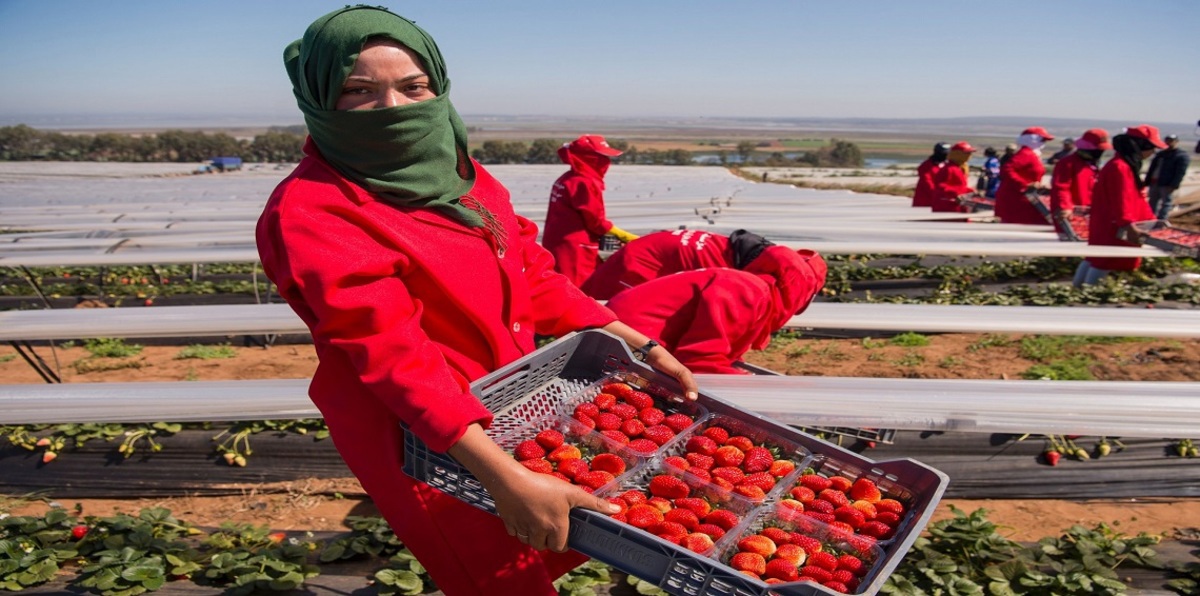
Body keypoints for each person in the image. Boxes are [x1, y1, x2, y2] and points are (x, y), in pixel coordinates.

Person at [254, 7, 699, 594]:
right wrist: (503, 476)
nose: (395, 109)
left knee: (542, 550)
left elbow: (530, 269)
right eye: (359, 92)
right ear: (318, 99)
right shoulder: (315, 212)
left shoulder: (461, 174)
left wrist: (641, 342)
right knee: (495, 579)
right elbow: (394, 356)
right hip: (426, 437)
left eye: (414, 87)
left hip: (510, 397)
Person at [606, 246, 827, 374]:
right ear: (800, 293)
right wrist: (750, 387)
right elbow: (699, 360)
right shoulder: (748, 292)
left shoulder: (752, 287)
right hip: (629, 345)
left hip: (632, 337)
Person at [1074, 125, 1167, 287]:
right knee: (1105, 260)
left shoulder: (1122, 165)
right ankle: (1086, 294)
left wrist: (1151, 219)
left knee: (1096, 258)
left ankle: (1080, 289)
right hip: (1114, 224)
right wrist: (1128, 224)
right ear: (1140, 146)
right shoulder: (1120, 167)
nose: (1152, 152)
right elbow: (1121, 199)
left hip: (1110, 220)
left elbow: (1134, 198)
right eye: (1151, 147)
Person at [541, 135, 638, 286]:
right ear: (589, 157)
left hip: (559, 244)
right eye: (601, 157)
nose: (606, 162)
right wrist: (626, 236)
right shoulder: (584, 183)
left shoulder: (567, 178)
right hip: (575, 249)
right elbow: (596, 221)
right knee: (577, 289)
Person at [580, 228, 774, 300]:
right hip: (636, 267)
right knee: (612, 314)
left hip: (643, 254)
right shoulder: (719, 263)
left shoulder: (723, 245)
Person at [1049, 129, 1110, 236]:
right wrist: (1065, 207)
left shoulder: (1093, 165)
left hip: (1087, 214)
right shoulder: (1067, 164)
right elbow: (1061, 187)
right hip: (1071, 215)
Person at [995, 126, 1054, 225]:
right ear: (1033, 140)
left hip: (1026, 198)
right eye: (1042, 139)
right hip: (1017, 200)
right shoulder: (1026, 154)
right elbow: (1006, 169)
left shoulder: (1032, 154)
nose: (1044, 143)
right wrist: (1025, 184)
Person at [1145, 134, 1191, 220]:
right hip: (1155, 181)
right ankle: (1150, 219)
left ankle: (1161, 221)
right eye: (1167, 140)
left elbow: (1180, 172)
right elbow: (1152, 168)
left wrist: (1174, 184)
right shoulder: (1161, 154)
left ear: (1176, 142)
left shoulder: (1181, 156)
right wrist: (1147, 180)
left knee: (1166, 203)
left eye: (1171, 141)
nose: (1169, 143)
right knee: (1152, 202)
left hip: (1167, 183)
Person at [930, 141, 975, 213]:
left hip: (958, 206)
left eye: (970, 153)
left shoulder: (959, 168)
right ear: (957, 154)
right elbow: (940, 186)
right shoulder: (948, 169)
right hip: (947, 208)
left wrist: (970, 191)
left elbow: (960, 186)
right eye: (966, 153)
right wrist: (955, 194)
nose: (969, 155)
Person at [912, 142, 949, 208]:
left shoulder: (947, 165)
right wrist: (938, 195)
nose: (946, 155)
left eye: (947, 153)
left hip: (940, 201)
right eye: (944, 153)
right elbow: (927, 183)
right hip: (925, 202)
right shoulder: (926, 166)